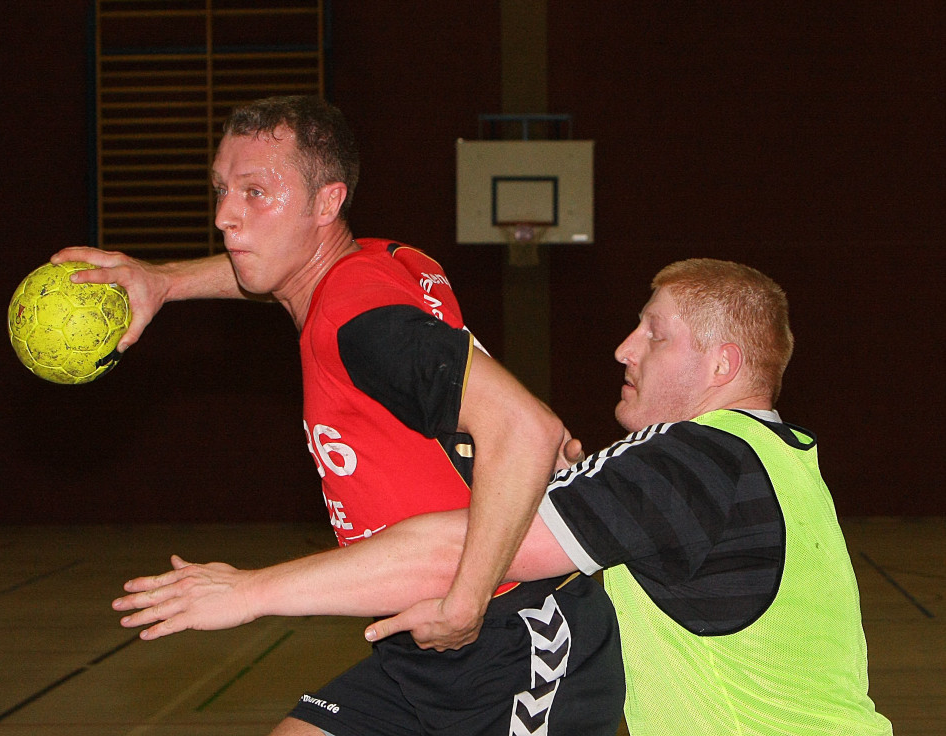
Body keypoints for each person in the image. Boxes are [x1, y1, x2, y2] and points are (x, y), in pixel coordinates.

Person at [117, 258, 893, 735]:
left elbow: (465, 549)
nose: (623, 348)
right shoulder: (770, 457)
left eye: (653, 335)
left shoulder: (693, 461)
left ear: (720, 366)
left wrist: (250, 591)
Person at [59, 94, 624, 736]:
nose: (224, 216)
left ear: (327, 202)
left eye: (255, 193)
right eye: (221, 190)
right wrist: (165, 281)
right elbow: (280, 270)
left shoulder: (357, 321)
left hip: (512, 638)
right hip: (418, 647)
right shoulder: (383, 263)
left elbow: (527, 429)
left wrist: (465, 602)